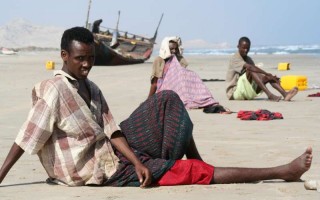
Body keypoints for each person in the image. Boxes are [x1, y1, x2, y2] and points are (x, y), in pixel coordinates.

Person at [0, 27, 313, 187]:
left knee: (167, 100)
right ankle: (280, 171)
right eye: (79, 58)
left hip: (109, 151)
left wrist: (136, 160)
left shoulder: (92, 88)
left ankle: (192, 161)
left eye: (90, 58)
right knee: (184, 171)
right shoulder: (54, 90)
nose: (86, 65)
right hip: (93, 171)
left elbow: (114, 130)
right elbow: (24, 139)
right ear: (64, 56)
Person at [148, 36, 228, 113]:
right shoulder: (159, 60)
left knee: (194, 76)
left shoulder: (177, 59)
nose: (174, 51)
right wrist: (149, 101)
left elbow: (181, 76)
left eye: (175, 49)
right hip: (165, 89)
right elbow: (155, 83)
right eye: (171, 49)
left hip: (178, 88)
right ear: (165, 48)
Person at [226, 36, 298, 102]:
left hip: (247, 91)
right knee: (251, 70)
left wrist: (269, 77)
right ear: (238, 47)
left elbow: (256, 75)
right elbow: (251, 68)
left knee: (268, 77)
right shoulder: (235, 58)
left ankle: (285, 94)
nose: (245, 50)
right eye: (243, 48)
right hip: (234, 93)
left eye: (247, 48)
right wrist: (265, 73)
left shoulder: (249, 59)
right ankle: (270, 95)